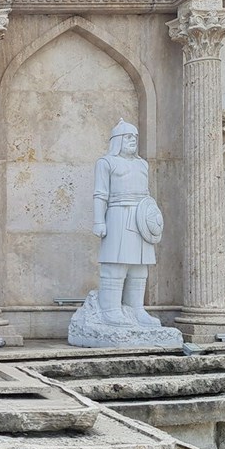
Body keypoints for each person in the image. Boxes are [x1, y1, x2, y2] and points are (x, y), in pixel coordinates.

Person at [92, 119, 163, 327]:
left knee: (140, 267)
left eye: (135, 137)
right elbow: (100, 193)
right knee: (116, 264)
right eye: (128, 136)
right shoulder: (106, 163)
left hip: (141, 218)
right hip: (117, 214)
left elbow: (147, 193)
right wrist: (99, 221)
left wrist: (151, 218)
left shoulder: (142, 164)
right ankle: (110, 309)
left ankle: (136, 309)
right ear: (117, 140)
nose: (132, 140)